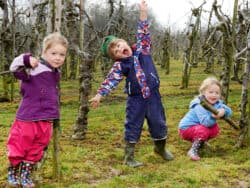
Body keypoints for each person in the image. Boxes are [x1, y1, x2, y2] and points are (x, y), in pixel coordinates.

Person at [89, 0, 173, 168]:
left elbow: (143, 31)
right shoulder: (121, 65)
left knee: (159, 122)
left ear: (127, 43)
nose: (120, 49)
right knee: (133, 124)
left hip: (153, 96)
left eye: (120, 45)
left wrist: (143, 12)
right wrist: (99, 95)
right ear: (115, 57)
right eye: (116, 51)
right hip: (136, 100)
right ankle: (129, 156)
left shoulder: (142, 50)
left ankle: (160, 148)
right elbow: (110, 80)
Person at [7, 32, 68, 187]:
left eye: (62, 54)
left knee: (38, 147)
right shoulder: (33, 68)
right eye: (53, 53)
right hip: (28, 117)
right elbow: (14, 68)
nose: (58, 58)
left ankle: (26, 174)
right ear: (43, 53)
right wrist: (27, 59)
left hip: (46, 118)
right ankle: (13, 171)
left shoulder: (56, 73)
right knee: (19, 145)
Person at [178, 77, 232, 161]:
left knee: (215, 129)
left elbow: (229, 111)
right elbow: (205, 123)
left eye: (217, 93)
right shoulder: (200, 105)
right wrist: (213, 116)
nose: (214, 95)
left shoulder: (217, 103)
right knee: (203, 129)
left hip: (197, 127)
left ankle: (201, 142)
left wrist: (224, 111)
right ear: (203, 92)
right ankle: (193, 150)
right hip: (186, 129)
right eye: (210, 92)